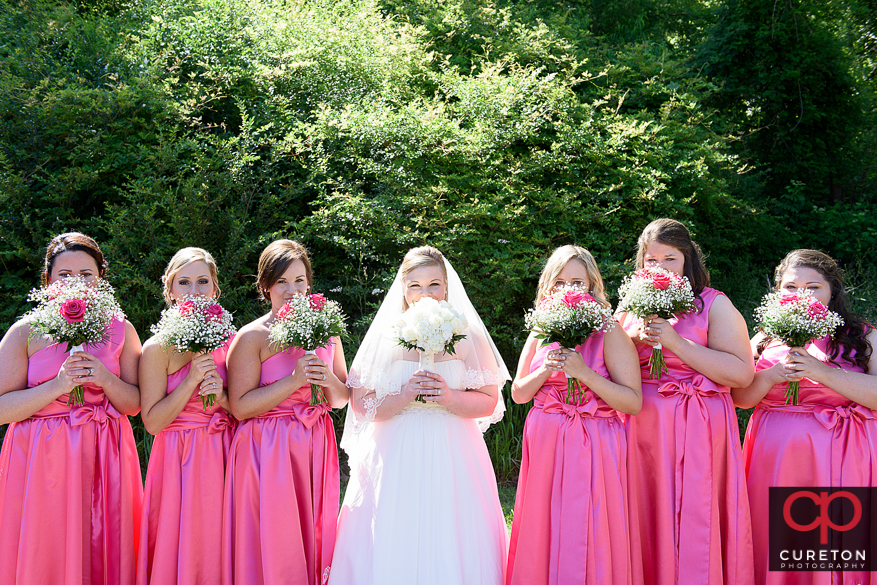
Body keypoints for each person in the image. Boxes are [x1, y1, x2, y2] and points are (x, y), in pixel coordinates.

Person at [329, 246, 510, 585]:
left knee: (452, 528)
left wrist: (450, 396)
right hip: (396, 450)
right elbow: (361, 405)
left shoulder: (468, 334)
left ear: (447, 286)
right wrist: (403, 396)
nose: (425, 294)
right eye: (415, 285)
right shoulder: (386, 333)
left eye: (434, 285)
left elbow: (488, 401)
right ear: (402, 287)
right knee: (396, 527)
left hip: (454, 448)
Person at [617, 219, 755, 585]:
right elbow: (609, 368)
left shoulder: (714, 304)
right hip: (642, 429)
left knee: (697, 514)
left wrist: (677, 343)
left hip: (700, 427)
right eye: (651, 260)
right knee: (646, 512)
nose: (659, 268)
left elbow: (741, 374)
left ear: (688, 260)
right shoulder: (629, 307)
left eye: (670, 258)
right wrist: (629, 335)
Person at [0, 232, 143, 584]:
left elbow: (136, 405)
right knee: (45, 545)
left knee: (102, 541)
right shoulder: (25, 332)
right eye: (64, 275)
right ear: (47, 280)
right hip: (40, 457)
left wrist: (107, 381)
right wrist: (59, 386)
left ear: (101, 279)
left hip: (104, 452)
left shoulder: (121, 328)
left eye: (86, 274)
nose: (76, 283)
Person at [733, 249, 877, 585]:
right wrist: (769, 377)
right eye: (791, 287)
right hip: (776, 459)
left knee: (833, 543)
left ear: (832, 293)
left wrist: (818, 371)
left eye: (814, 287)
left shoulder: (863, 337)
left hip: (842, 458)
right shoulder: (762, 339)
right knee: (780, 541)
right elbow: (741, 400)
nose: (802, 295)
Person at [506, 245, 643, 585]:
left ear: (593, 286)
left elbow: (632, 402)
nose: (568, 289)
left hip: (596, 440)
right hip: (547, 440)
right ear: (547, 288)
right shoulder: (540, 329)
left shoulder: (610, 331)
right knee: (545, 521)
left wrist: (584, 373)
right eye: (559, 282)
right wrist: (544, 372)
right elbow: (519, 394)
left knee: (591, 524)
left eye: (577, 282)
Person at [222, 239, 348, 585]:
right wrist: (293, 382)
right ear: (265, 286)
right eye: (281, 282)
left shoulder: (326, 330)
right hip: (267, 449)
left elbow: (342, 397)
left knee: (315, 531)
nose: (292, 291)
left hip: (315, 442)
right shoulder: (252, 336)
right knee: (276, 540)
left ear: (309, 283)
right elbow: (240, 407)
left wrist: (328, 383)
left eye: (299, 281)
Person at [137, 247, 235, 585]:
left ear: (215, 289)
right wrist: (191, 380)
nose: (194, 291)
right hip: (178, 457)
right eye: (184, 282)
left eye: (203, 282)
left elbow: (244, 409)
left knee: (223, 541)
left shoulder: (231, 342)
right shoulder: (156, 348)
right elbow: (152, 422)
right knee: (183, 543)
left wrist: (221, 397)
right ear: (170, 290)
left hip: (226, 451)